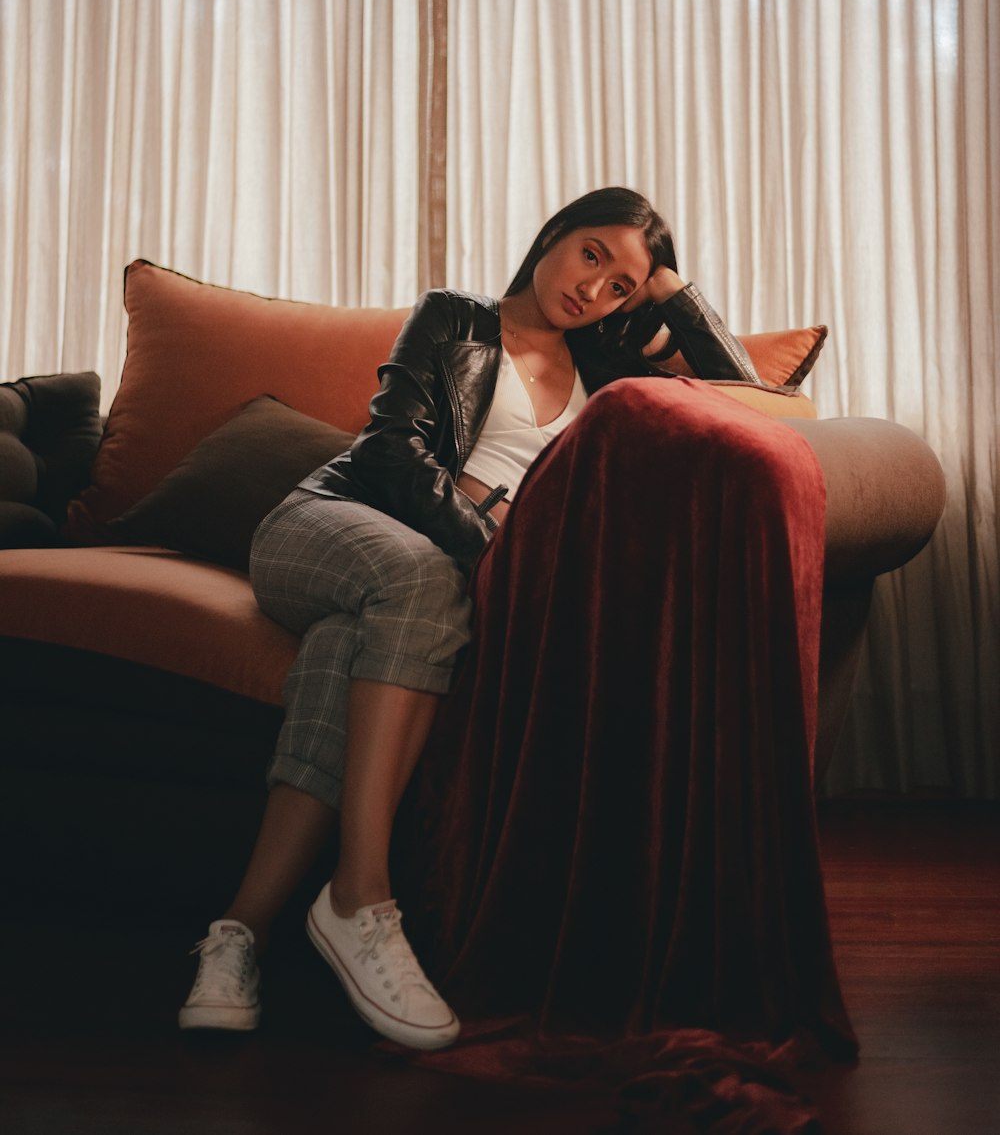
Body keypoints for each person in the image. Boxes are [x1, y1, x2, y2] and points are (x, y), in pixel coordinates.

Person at [178, 187, 760, 1048]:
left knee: (346, 651)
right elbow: (387, 448)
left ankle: (237, 935)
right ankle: (361, 897)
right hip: (326, 525)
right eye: (592, 254)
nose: (594, 289)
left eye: (622, 287)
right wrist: (490, 540)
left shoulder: (608, 373)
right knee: (419, 580)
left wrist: (674, 293)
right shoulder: (456, 318)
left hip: (409, 586)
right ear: (554, 235)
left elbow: (741, 399)